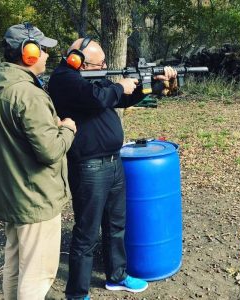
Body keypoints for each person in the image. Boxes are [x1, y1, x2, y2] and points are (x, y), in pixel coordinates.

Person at [48, 37, 177, 300]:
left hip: (113, 162)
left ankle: (116, 276)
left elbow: (120, 100)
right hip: (88, 166)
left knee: (116, 225)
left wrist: (150, 87)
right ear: (79, 62)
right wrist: (120, 85)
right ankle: (76, 293)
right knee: (86, 234)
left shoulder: (90, 78)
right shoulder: (64, 79)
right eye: (101, 63)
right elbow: (99, 98)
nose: (105, 66)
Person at [0, 22, 77, 300]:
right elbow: (50, 151)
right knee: (37, 275)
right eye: (43, 49)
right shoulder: (28, 94)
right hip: (35, 198)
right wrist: (67, 128)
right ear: (28, 52)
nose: (46, 55)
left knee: (15, 265)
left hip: (13, 194)